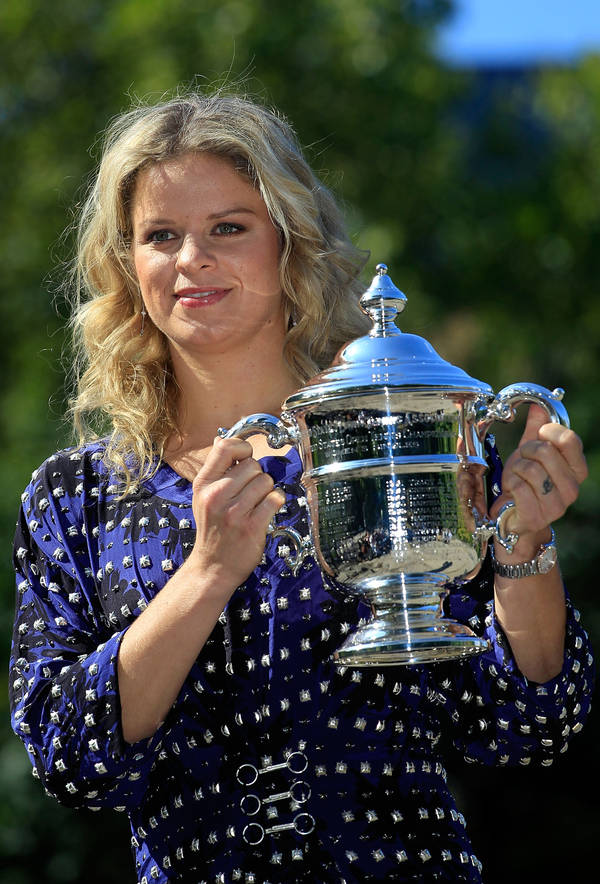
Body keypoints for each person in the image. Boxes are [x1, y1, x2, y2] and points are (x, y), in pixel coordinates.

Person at [9, 91, 594, 884]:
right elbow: (71, 760)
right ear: (126, 265)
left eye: (228, 227)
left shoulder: (403, 430)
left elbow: (529, 723)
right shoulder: (74, 497)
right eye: (160, 235)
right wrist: (207, 574)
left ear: (291, 245)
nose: (191, 259)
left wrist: (525, 547)